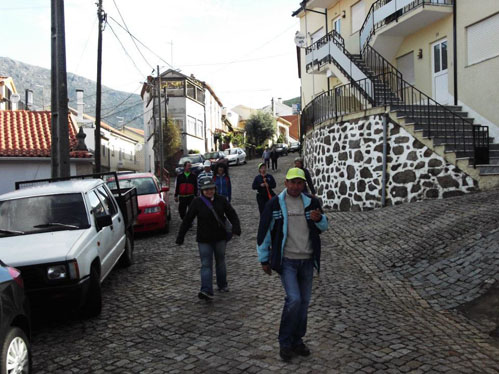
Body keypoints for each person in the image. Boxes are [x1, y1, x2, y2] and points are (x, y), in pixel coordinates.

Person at [257, 168, 328, 362]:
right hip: (287, 260)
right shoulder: (275, 204)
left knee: (303, 304)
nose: (296, 186)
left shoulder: (311, 202)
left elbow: (324, 225)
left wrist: (319, 219)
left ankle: (297, 340)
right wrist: (264, 259)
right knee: (294, 300)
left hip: (307, 260)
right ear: (286, 183)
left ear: (303, 184)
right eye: (292, 182)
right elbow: (264, 232)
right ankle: (285, 342)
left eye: (300, 183)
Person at [176, 176, 241, 300]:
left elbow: (232, 214)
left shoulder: (221, 200)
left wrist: (236, 229)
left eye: (211, 189)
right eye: (206, 190)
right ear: (202, 190)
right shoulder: (197, 202)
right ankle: (206, 289)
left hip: (220, 237)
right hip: (204, 239)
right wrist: (181, 236)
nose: (209, 191)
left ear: (215, 189)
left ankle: (222, 284)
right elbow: (187, 219)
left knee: (220, 262)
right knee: (206, 264)